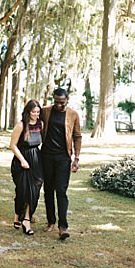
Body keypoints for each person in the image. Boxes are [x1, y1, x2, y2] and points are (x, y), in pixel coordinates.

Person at [40, 87, 82, 240]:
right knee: (48, 190)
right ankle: (50, 221)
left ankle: (63, 227)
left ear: (67, 100)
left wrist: (76, 159)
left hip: (63, 158)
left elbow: (77, 136)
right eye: (56, 102)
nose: (58, 105)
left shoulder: (73, 114)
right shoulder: (45, 111)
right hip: (46, 156)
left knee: (61, 191)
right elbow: (31, 117)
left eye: (62, 103)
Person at [9, 100, 44, 236]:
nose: (36, 114)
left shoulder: (41, 124)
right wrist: (23, 160)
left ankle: (27, 219)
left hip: (36, 159)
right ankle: (17, 214)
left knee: (34, 190)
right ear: (28, 112)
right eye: (33, 111)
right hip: (21, 160)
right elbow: (12, 145)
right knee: (22, 191)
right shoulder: (21, 125)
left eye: (38, 112)